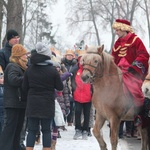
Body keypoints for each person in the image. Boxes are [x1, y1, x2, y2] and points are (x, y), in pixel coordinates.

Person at [22, 42, 63, 150]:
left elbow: (24, 88)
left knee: (31, 130)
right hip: (47, 103)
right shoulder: (52, 70)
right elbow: (60, 87)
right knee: (46, 130)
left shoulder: (29, 69)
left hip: (32, 103)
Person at [112, 19, 149, 126]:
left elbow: (144, 55)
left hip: (132, 72)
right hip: (118, 72)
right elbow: (113, 58)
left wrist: (134, 65)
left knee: (135, 90)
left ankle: (139, 115)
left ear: (124, 29)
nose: (116, 32)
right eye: (115, 30)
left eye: (118, 30)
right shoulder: (117, 43)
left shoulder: (136, 40)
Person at [0, 44, 28, 150]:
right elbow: (13, 80)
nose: (26, 56)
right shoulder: (13, 66)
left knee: (18, 128)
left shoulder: (20, 66)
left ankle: (15, 147)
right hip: (13, 102)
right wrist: (26, 77)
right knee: (10, 128)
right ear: (18, 55)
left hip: (19, 102)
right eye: (24, 54)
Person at [0, 29, 20, 134]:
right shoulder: (3, 53)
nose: (16, 40)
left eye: (17, 37)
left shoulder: (21, 52)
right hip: (6, 87)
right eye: (14, 38)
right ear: (9, 40)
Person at [71, 50, 92, 140]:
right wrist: (74, 89)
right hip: (77, 95)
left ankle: (85, 130)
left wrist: (92, 92)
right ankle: (78, 129)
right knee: (77, 113)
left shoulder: (90, 71)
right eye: (81, 60)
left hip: (88, 96)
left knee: (87, 114)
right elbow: (71, 81)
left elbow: (93, 83)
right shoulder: (75, 70)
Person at [61, 49, 77, 126]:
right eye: (68, 55)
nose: (69, 57)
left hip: (72, 83)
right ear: (65, 56)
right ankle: (63, 120)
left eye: (71, 55)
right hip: (64, 83)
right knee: (63, 101)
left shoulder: (75, 65)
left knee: (71, 102)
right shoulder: (62, 64)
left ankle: (70, 120)